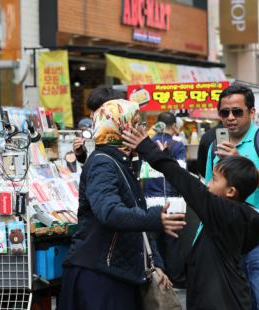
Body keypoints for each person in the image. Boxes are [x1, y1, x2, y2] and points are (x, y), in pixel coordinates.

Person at [122, 126, 259, 310]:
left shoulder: (224, 212)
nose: (208, 184)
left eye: (215, 179)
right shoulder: (237, 213)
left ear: (231, 191)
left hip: (219, 302)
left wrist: (147, 147)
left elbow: (185, 181)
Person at [59, 99, 186, 310]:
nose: (142, 130)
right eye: (137, 124)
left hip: (116, 271)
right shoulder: (103, 162)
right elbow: (108, 212)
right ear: (121, 128)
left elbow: (136, 216)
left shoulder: (121, 161)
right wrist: (155, 218)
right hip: (99, 276)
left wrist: (155, 263)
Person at [205, 84, 259, 309]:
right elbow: (209, 190)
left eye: (237, 112)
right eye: (225, 113)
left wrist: (242, 164)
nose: (230, 118)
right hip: (229, 240)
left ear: (252, 113)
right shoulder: (216, 146)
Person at [142, 112, 187, 289]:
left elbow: (142, 174)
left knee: (154, 243)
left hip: (150, 201)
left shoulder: (147, 144)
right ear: (173, 126)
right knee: (173, 242)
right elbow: (180, 172)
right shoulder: (177, 145)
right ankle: (175, 279)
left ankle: (157, 279)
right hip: (172, 202)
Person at [73, 85, 125, 164]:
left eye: (94, 111)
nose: (91, 116)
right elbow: (92, 160)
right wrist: (80, 154)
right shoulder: (97, 132)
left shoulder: (126, 134)